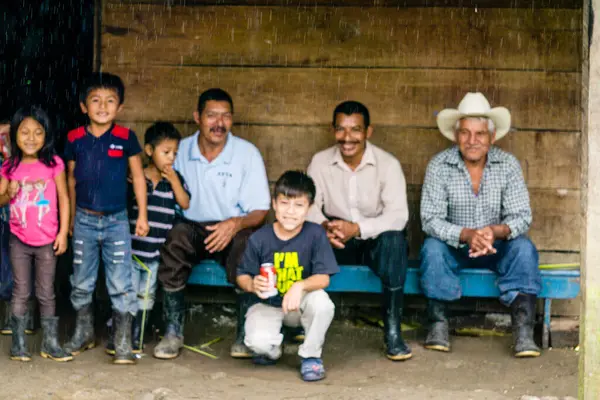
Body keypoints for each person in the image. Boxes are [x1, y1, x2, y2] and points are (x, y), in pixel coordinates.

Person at [420, 92, 541, 358]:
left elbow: (521, 216)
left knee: (523, 249)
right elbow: (430, 219)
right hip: (455, 248)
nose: (472, 141)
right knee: (431, 249)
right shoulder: (439, 165)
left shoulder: (507, 165)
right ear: (455, 135)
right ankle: (438, 324)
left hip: (497, 247)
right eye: (465, 133)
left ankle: (523, 330)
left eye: (480, 134)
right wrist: (466, 234)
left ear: (492, 137)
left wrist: (494, 231)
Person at [154, 88, 270, 360]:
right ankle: (173, 331)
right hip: (191, 227)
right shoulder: (179, 151)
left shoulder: (246, 153)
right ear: (197, 117)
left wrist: (235, 223)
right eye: (212, 115)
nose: (219, 123)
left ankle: (245, 332)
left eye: (226, 116)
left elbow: (261, 210)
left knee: (248, 243)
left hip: (232, 228)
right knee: (174, 237)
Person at [306, 101, 412, 361]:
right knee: (303, 235)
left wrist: (358, 229)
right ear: (333, 131)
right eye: (341, 130)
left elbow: (398, 216)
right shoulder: (320, 162)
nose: (347, 138)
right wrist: (324, 228)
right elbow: (307, 206)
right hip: (334, 239)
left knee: (395, 241)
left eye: (355, 130)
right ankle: (302, 321)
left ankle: (392, 329)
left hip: (373, 242)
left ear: (368, 131)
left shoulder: (387, 164)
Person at [63, 72, 149, 365]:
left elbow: (138, 177)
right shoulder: (75, 138)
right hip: (85, 220)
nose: (102, 106)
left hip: (117, 221)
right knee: (81, 281)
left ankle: (122, 341)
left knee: (121, 282)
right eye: (95, 101)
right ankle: (84, 332)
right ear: (83, 106)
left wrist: (143, 215)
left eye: (110, 101)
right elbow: (71, 180)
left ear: (120, 107)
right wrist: (72, 218)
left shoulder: (126, 138)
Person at [237, 171, 338, 382]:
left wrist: (299, 286)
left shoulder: (315, 234)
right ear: (274, 204)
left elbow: (324, 278)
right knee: (257, 344)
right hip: (268, 303)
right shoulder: (260, 238)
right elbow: (242, 276)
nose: (290, 212)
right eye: (284, 203)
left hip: (298, 305)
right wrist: (252, 284)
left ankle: (310, 355)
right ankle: (275, 348)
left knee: (323, 304)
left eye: (299, 205)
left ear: (309, 208)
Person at [105, 122, 190, 356]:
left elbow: (185, 203)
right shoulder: (135, 179)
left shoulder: (174, 180)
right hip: (131, 253)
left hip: (154, 255)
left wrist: (173, 180)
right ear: (150, 151)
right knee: (127, 292)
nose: (171, 157)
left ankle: (137, 335)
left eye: (175, 153)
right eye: (166, 152)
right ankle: (121, 333)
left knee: (147, 295)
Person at [0, 105, 71, 362]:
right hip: (18, 239)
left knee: (46, 291)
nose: (31, 138)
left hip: (47, 239)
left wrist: (63, 233)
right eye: (24, 132)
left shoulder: (54, 164)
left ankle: (50, 343)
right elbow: (0, 199)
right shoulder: (10, 166)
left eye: (38, 132)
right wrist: (8, 193)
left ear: (47, 135)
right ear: (15, 136)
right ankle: (18, 344)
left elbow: (64, 197)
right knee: (21, 290)